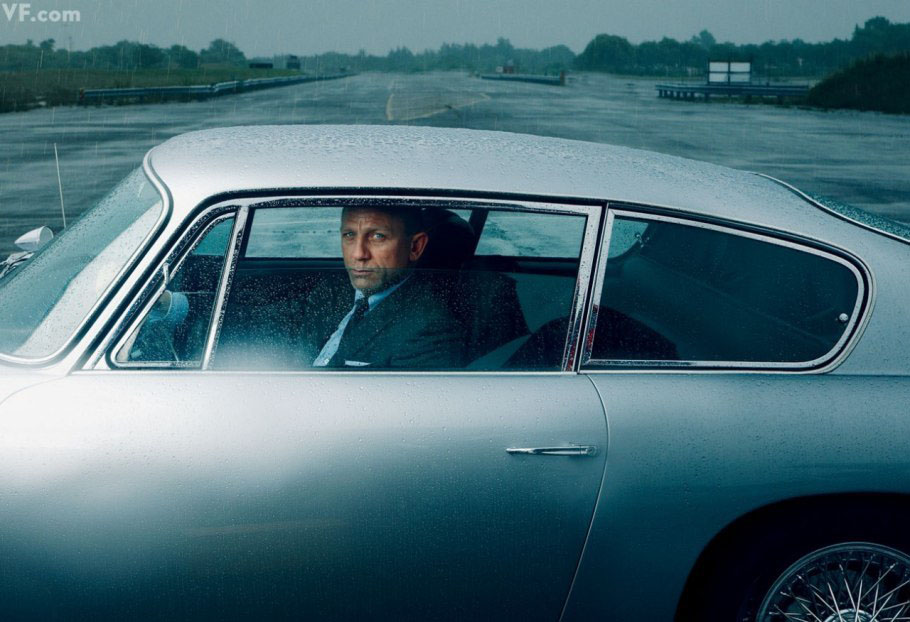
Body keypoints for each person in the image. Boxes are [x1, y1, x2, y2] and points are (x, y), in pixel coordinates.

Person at [299, 205, 467, 369]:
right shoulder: (334, 287)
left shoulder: (431, 329)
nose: (358, 254)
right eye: (349, 234)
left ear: (415, 246)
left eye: (378, 236)